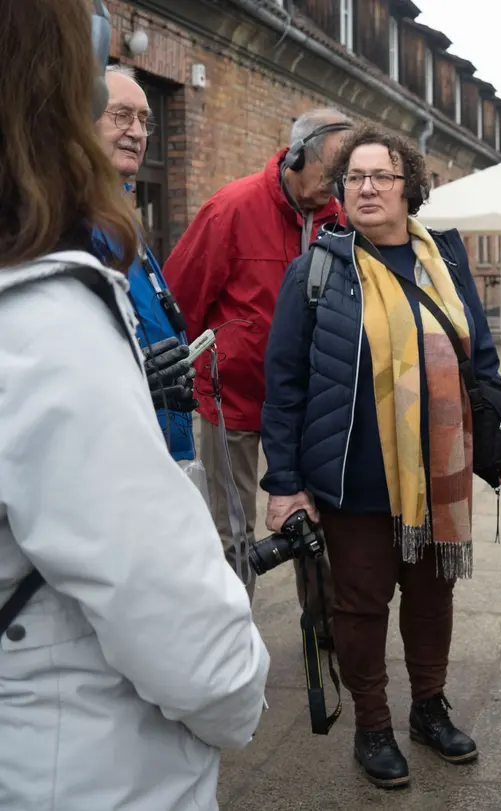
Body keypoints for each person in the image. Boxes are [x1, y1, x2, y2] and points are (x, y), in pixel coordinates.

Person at [0, 2, 269, 809]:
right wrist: (242, 677)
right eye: (111, 106)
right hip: (78, 764)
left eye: (147, 119)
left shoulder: (112, 250)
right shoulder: (43, 317)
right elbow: (195, 651)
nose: (132, 131)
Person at [261, 125, 498, 789]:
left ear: (409, 188)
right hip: (352, 480)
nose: (367, 187)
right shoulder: (317, 270)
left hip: (435, 476)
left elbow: (481, 361)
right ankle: (373, 723)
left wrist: (499, 435)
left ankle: (428, 706)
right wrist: (284, 483)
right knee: (361, 606)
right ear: (341, 191)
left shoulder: (444, 265)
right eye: (355, 177)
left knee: (430, 598)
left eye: (382, 176)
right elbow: (283, 384)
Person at [166, 107, 350, 619]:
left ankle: (324, 629)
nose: (339, 188)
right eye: (333, 173)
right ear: (297, 158)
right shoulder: (231, 209)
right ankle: (234, 633)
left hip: (313, 406)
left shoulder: (343, 219)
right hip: (236, 400)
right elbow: (179, 302)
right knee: (231, 528)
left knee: (314, 527)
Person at [91, 64, 199, 462]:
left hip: (162, 448)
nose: (136, 132)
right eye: (121, 115)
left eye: (143, 120)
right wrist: (130, 383)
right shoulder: (52, 221)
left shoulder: (121, 220)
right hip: (107, 461)